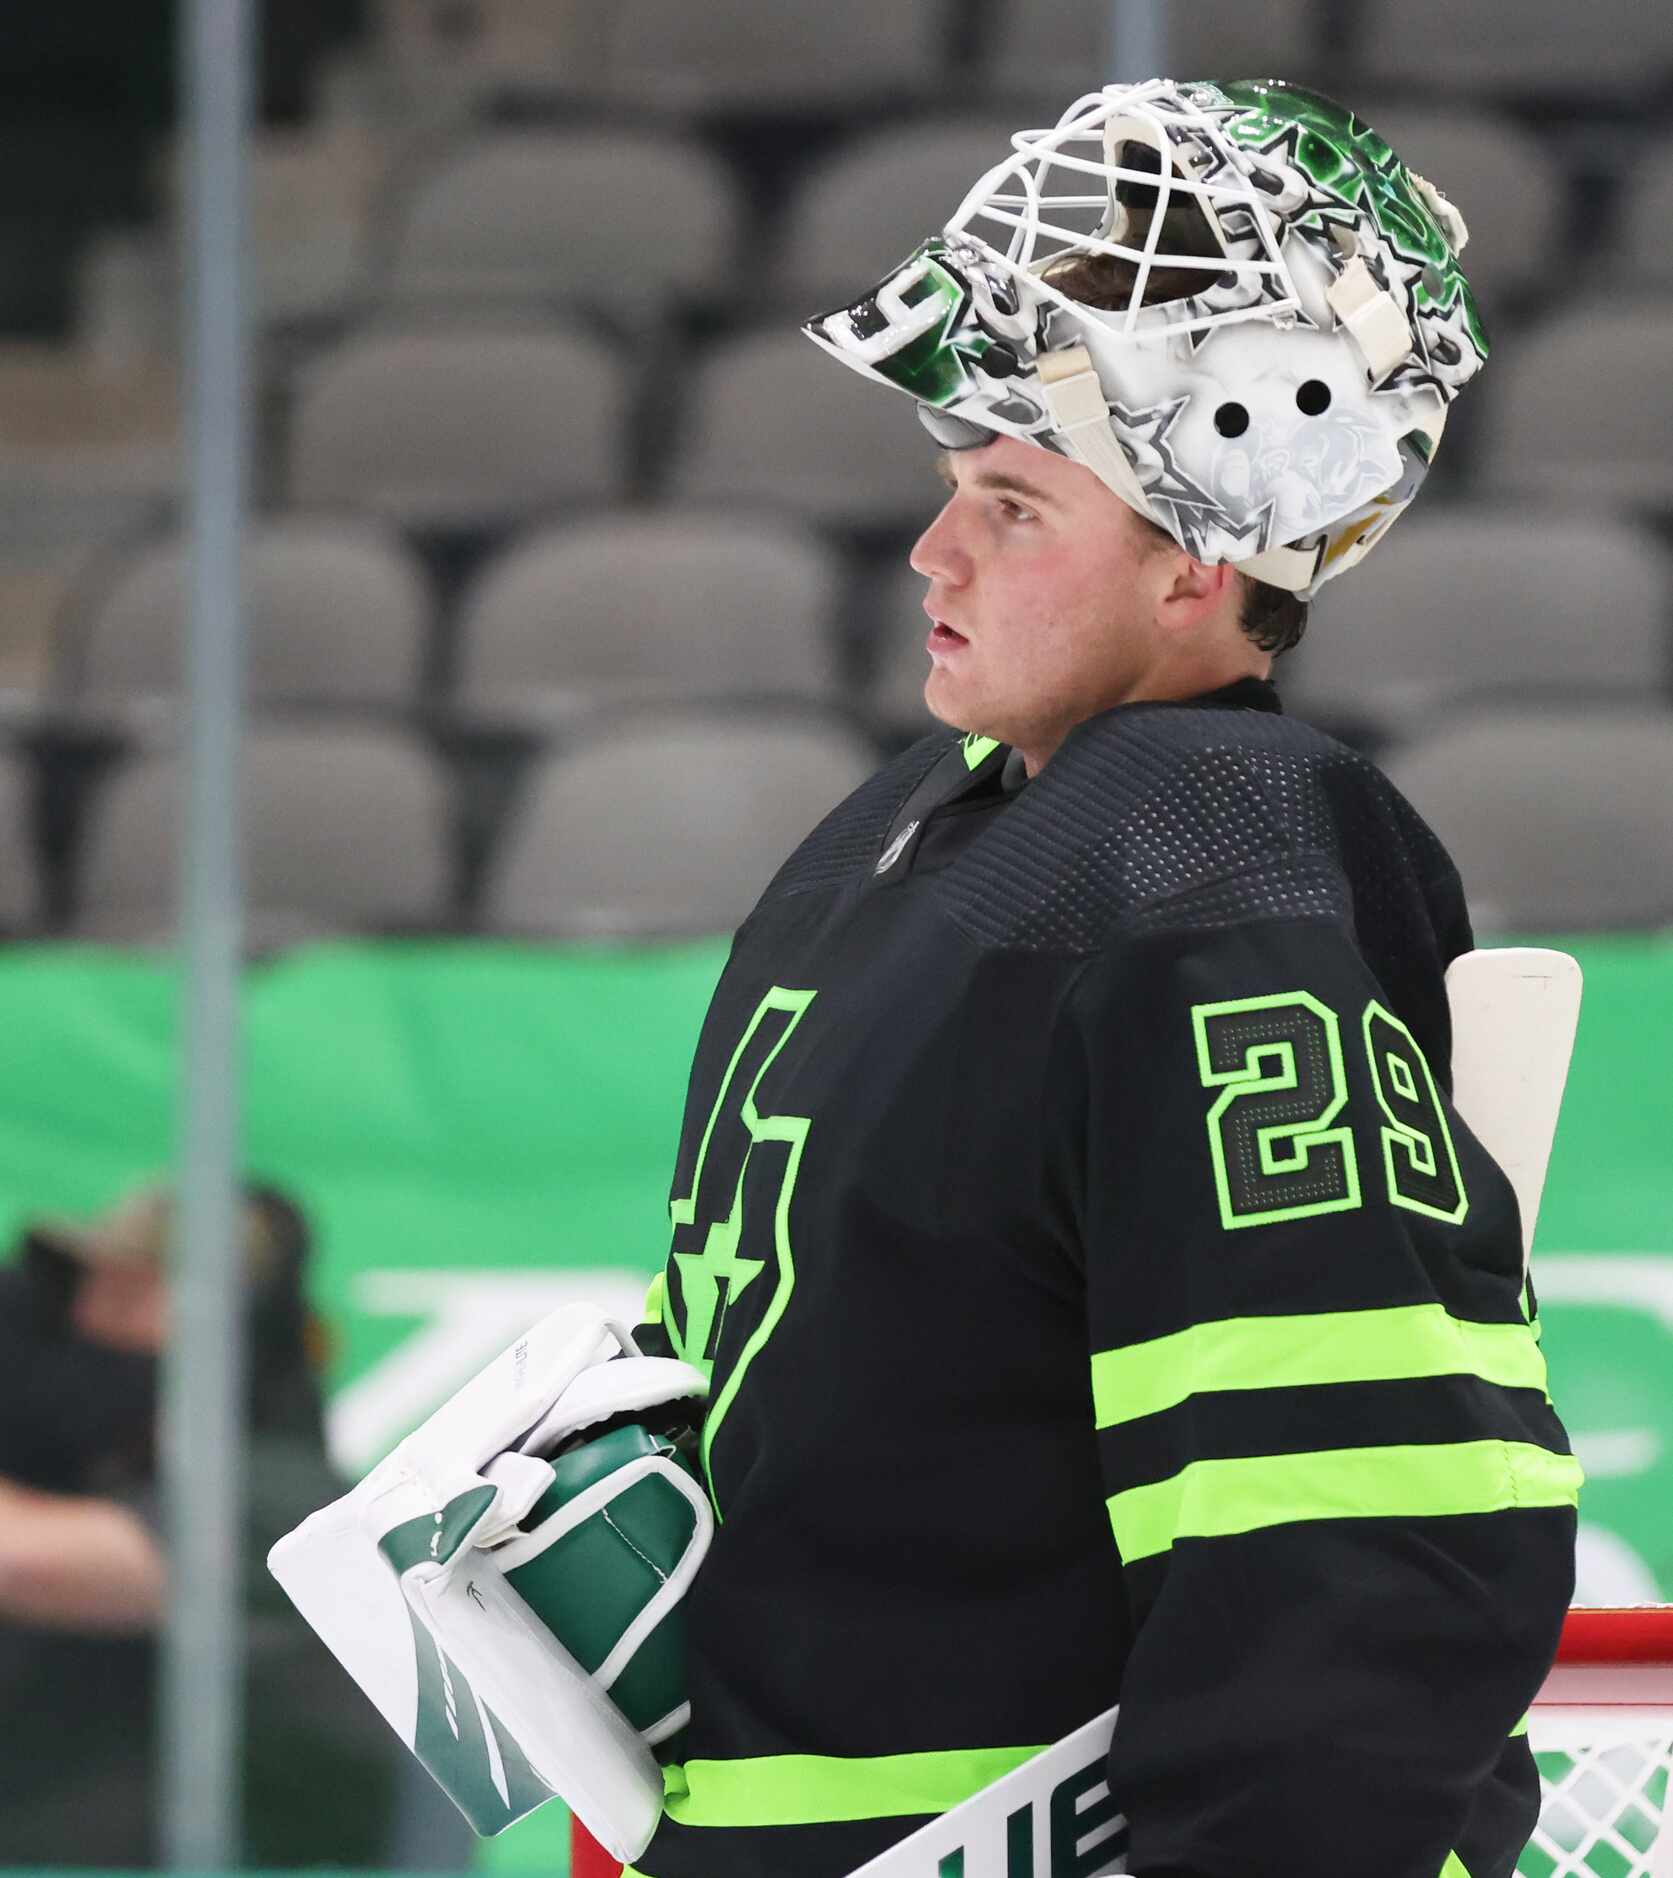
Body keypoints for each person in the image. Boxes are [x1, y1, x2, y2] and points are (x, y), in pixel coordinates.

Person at [624, 79, 1580, 1878]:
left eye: (1008, 503)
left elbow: (1349, 1508)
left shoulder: (1217, 854)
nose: (932, 550)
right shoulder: (911, 831)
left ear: (1203, 552)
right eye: (947, 491)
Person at [0, 1179, 416, 1867]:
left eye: (131, 1296)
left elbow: (24, 1561)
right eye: (87, 1291)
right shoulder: (88, 1470)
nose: (84, 1317)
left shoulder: (286, 1505)